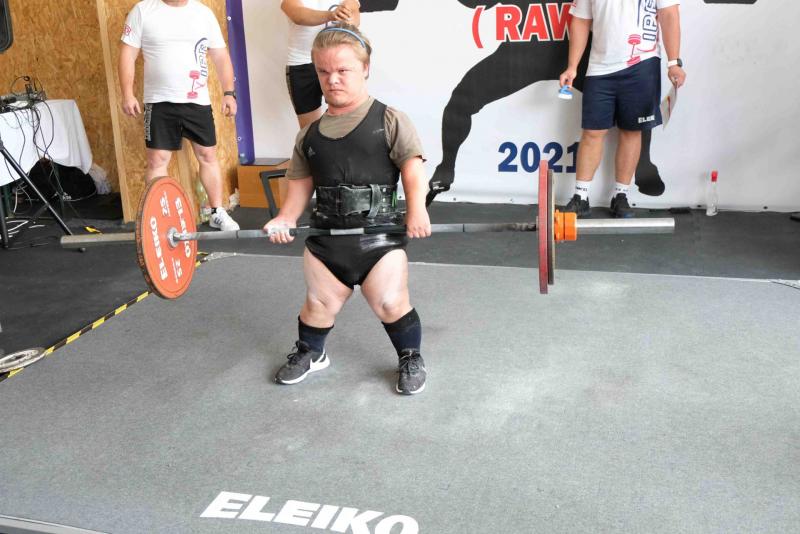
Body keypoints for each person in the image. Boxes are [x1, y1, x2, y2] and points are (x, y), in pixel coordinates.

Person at [263, 24, 432, 395]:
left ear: (365, 68)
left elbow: (412, 170)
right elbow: (300, 185)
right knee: (318, 303)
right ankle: (312, 352)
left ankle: (410, 356)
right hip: (327, 239)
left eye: (343, 70)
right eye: (323, 71)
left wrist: (416, 210)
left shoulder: (390, 119)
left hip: (379, 237)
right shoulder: (309, 135)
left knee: (390, 302)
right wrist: (286, 217)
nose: (332, 79)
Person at [119, 0, 240, 231]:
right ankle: (160, 218)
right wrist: (127, 94)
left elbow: (221, 56)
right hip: (159, 101)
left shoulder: (203, 14)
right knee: (157, 161)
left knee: (207, 155)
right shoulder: (143, 11)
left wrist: (228, 93)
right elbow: (127, 54)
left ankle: (216, 212)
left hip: (197, 101)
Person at [559, 0, 686, 218]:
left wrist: (673, 62)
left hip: (642, 63)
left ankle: (621, 195)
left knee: (631, 131)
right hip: (599, 67)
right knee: (592, 132)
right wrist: (572, 66)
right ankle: (581, 197)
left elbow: (669, 15)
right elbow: (580, 20)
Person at [282, 0, 361, 128]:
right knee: (309, 129)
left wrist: (349, 18)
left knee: (347, 122)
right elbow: (298, 15)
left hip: (337, 64)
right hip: (302, 65)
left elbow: (355, 17)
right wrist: (331, 15)